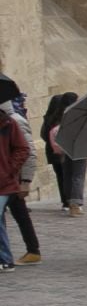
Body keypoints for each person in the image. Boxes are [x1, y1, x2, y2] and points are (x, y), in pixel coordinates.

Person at [6, 97, 43, 264]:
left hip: (15, 177)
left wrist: (26, 181)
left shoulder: (15, 121)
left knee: (20, 215)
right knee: (16, 214)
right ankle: (31, 250)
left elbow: (29, 152)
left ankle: (33, 251)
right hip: (6, 176)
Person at [41, 92, 86, 216]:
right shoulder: (76, 114)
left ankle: (66, 201)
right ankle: (75, 204)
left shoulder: (52, 117)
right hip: (77, 149)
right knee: (77, 175)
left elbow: (44, 134)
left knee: (65, 175)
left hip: (58, 150)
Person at [0, 100, 30, 272]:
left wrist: (9, 170)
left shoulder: (8, 123)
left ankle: (5, 258)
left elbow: (23, 148)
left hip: (4, 182)